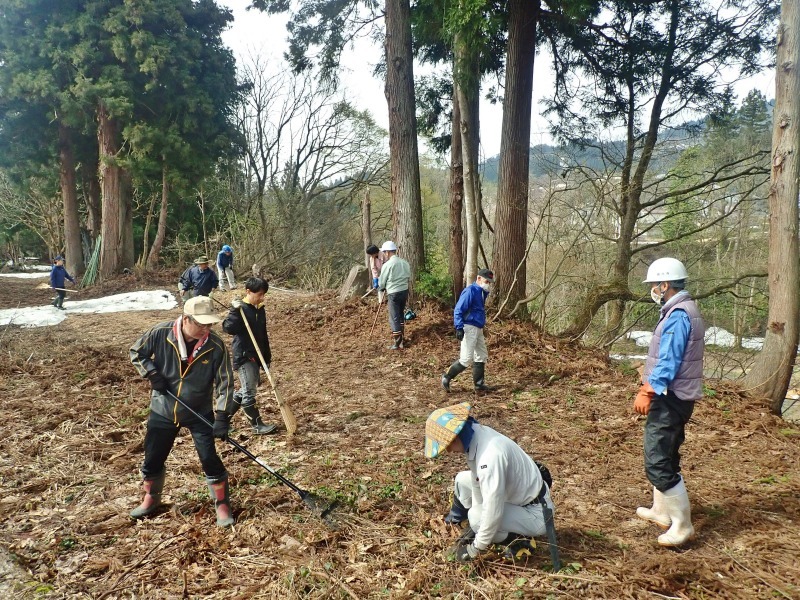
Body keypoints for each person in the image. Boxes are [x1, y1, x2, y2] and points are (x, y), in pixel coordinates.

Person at [129, 296, 236, 527]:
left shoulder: (215, 346)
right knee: (153, 456)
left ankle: (222, 505)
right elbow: (137, 352)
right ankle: (151, 498)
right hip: (164, 408)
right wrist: (152, 374)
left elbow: (225, 382)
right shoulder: (160, 333)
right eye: (201, 324)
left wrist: (222, 417)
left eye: (209, 324)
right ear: (186, 319)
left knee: (209, 458)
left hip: (199, 411)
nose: (206, 329)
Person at [424, 402, 556, 562]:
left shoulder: (490, 457)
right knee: (461, 480)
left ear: (456, 436)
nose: (449, 451)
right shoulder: (477, 434)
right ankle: (476, 525)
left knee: (477, 517)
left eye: (447, 445)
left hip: (536, 512)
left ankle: (520, 540)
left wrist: (475, 548)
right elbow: (476, 478)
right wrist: (477, 515)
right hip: (517, 495)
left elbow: (493, 511)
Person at [634, 257, 705, 547]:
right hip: (675, 396)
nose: (652, 289)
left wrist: (648, 390)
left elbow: (669, 360)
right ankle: (661, 512)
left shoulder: (678, 314)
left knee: (658, 459)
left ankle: (682, 525)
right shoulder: (682, 310)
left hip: (671, 398)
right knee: (666, 453)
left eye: (654, 285)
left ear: (665, 285)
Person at [222, 277, 277, 435]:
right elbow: (228, 328)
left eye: (263, 294)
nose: (262, 297)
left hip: (257, 354)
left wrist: (266, 358)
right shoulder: (241, 309)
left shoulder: (260, 309)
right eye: (259, 294)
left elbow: (262, 335)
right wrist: (233, 310)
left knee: (245, 389)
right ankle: (257, 425)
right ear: (248, 291)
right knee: (248, 392)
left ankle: (222, 421)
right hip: (244, 355)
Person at [441, 269, 494, 392]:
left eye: (490, 282)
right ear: (479, 278)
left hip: (478, 327)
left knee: (481, 356)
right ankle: (446, 376)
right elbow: (458, 310)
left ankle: (479, 386)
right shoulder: (471, 291)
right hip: (469, 327)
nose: (488, 284)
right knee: (466, 359)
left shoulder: (481, 292)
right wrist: (459, 327)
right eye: (487, 281)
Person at [377, 241, 411, 350]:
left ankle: (398, 343)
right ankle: (401, 339)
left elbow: (382, 281)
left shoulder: (387, 265)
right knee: (400, 315)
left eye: (384, 252)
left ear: (387, 252)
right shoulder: (404, 262)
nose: (384, 254)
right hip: (404, 291)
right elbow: (408, 276)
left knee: (394, 317)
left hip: (393, 292)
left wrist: (381, 287)